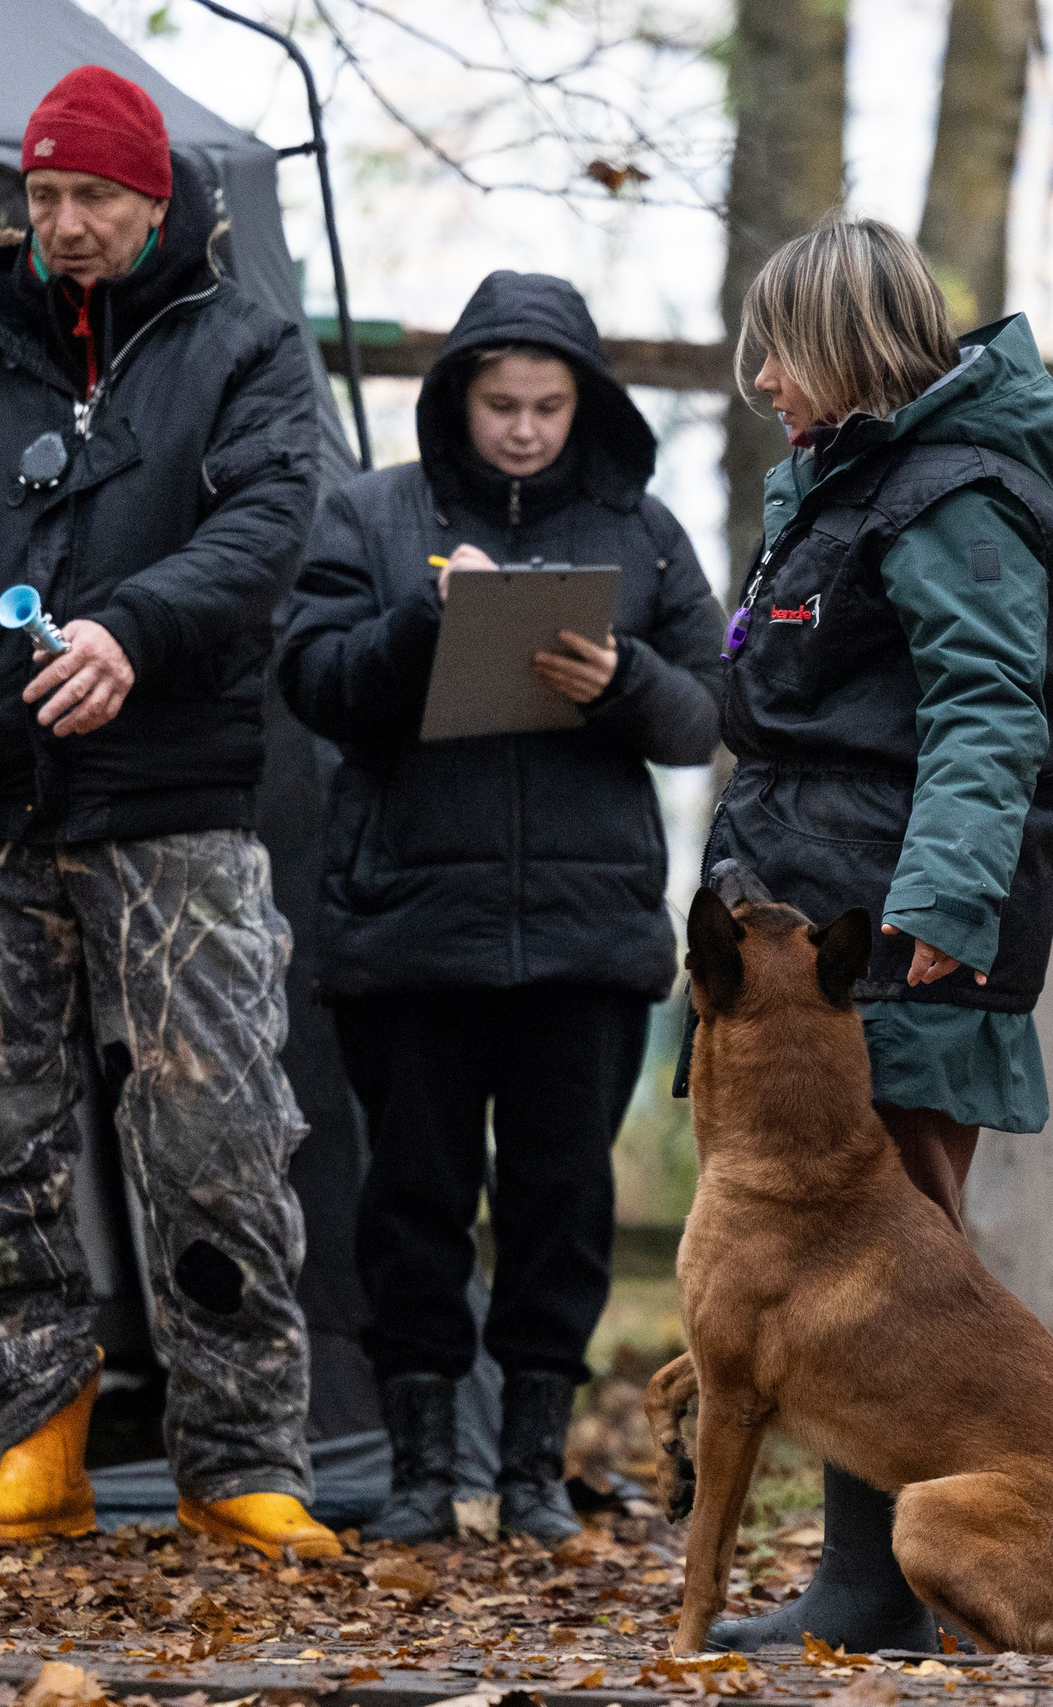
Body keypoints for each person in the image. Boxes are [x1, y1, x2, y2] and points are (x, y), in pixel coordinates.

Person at [0, 65, 338, 1560]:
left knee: (217, 1135)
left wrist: (133, 630)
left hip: (170, 811)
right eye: (43, 199)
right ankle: (33, 1447)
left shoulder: (246, 349)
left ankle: (238, 1461)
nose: (64, 226)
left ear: (156, 197)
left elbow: (263, 527)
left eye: (93, 198)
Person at [682, 215, 1053, 1650]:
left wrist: (938, 903)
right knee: (819, 1274)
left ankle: (884, 1589)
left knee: (899, 1260)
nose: (760, 381)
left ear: (849, 346)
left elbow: (992, 706)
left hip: (901, 931)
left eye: (779, 351)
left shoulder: (955, 492)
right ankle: (862, 1585)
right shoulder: (836, 488)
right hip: (811, 909)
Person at [276, 270, 725, 1545]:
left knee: (560, 1208)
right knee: (411, 1202)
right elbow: (311, 683)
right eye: (499, 404)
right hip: (412, 931)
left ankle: (531, 1473)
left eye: (546, 404)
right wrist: (428, 612)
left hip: (584, 942)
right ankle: (423, 1475)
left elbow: (706, 715)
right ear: (455, 400)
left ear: (585, 405)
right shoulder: (369, 518)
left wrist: (620, 678)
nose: (523, 428)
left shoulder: (640, 533)